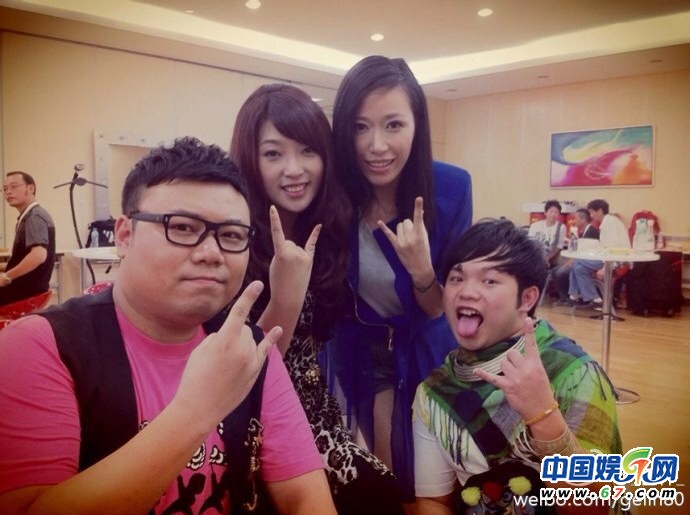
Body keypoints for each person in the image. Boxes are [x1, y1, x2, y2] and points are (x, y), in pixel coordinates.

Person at [0, 137, 335, 514]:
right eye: (183, 227)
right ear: (125, 236)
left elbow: (306, 500)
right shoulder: (40, 346)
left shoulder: (246, 348)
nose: (211, 253)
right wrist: (196, 410)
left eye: (231, 235)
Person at [230, 83, 403, 513]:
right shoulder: (233, 239)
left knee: (381, 492)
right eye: (273, 154)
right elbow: (242, 375)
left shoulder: (327, 230)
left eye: (307, 151)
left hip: (316, 414)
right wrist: (286, 298)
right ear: (250, 159)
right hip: (255, 419)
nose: (294, 170)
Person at [325, 55, 473, 502]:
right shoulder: (334, 190)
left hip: (427, 347)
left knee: (437, 483)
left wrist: (423, 270)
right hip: (358, 351)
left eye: (393, 125)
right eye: (360, 127)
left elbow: (445, 308)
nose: (376, 146)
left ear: (416, 125)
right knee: (385, 478)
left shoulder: (450, 189)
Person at [413, 219, 621, 514]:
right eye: (457, 278)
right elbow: (433, 500)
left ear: (527, 298)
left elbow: (594, 509)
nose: (466, 291)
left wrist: (542, 413)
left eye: (489, 281)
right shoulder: (435, 392)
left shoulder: (573, 372)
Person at [1, 171, 56, 306]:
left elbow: (38, 256)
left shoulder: (34, 216)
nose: (8, 192)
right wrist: (3, 266)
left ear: (30, 188)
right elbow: (24, 259)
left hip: (24, 293)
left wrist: (6, 277)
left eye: (14, 186)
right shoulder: (30, 215)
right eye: (5, 189)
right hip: (26, 289)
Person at [568, 199, 630, 307]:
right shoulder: (608, 222)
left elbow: (612, 247)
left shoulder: (610, 222)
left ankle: (574, 295)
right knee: (579, 269)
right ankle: (595, 299)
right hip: (609, 257)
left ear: (600, 211)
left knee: (577, 261)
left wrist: (605, 267)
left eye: (592, 212)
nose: (591, 216)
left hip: (616, 260)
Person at [553, 208, 600, 306]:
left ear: (583, 219)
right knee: (560, 270)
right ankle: (572, 296)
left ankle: (569, 297)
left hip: (591, 262)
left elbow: (588, 252)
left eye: (575, 218)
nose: (573, 221)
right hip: (582, 261)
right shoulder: (583, 232)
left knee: (561, 272)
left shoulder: (592, 232)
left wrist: (573, 260)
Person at [527, 199, 565, 268]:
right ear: (545, 213)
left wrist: (546, 258)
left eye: (556, 212)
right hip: (535, 254)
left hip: (550, 256)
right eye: (551, 211)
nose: (553, 214)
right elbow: (530, 243)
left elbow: (558, 247)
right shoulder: (535, 226)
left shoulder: (561, 227)